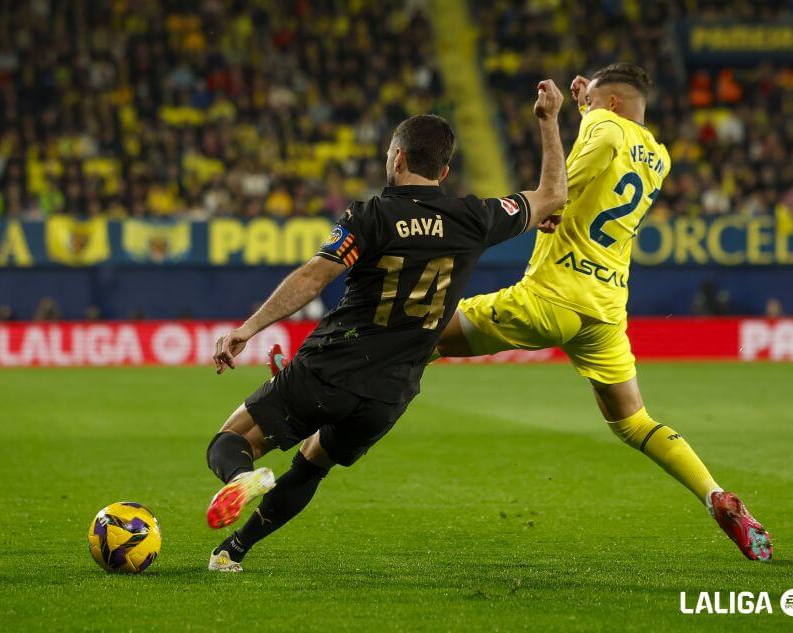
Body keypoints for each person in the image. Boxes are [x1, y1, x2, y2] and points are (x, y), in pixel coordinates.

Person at [204, 80, 569, 572]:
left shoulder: (370, 216)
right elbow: (552, 195)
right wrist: (549, 120)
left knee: (230, 441)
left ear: (396, 158)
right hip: (391, 393)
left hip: (334, 364)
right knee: (312, 464)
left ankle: (239, 481)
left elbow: (315, 275)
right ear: (442, 170)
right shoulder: (474, 217)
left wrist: (248, 328)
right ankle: (233, 552)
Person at [431, 64, 772, 561]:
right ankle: (714, 494)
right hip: (606, 311)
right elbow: (603, 167)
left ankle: (324, 394)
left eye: (590, 100)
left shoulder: (603, 125)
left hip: (550, 296)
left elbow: (560, 189)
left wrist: (562, 129)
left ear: (608, 103)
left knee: (423, 333)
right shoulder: (659, 156)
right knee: (634, 423)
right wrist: (590, 103)